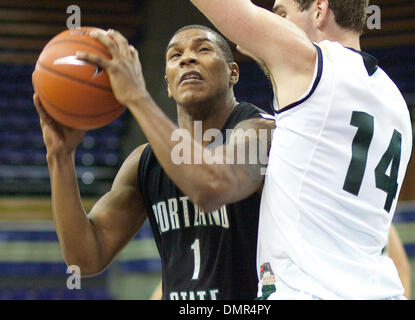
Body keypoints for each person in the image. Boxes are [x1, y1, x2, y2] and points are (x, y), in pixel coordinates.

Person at [33, 24, 275, 300]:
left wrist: (136, 96)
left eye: (203, 49)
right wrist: (60, 156)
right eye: (175, 56)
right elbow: (85, 257)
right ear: (168, 85)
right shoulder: (143, 163)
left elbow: (211, 185)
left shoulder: (260, 133)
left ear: (233, 73)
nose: (187, 58)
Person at [190, 0, 413, 299]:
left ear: (319, 11)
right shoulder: (395, 101)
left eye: (281, 15)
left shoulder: (314, 65)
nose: (273, 22)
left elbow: (230, 11)